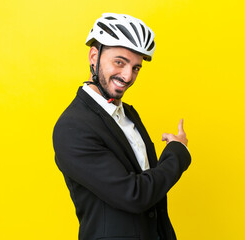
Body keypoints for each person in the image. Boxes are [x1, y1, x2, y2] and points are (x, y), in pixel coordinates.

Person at [53, 13, 191, 240]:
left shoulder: (129, 114)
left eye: (136, 68)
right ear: (94, 56)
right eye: (120, 62)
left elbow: (152, 197)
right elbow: (134, 195)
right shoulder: (72, 127)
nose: (128, 76)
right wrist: (178, 153)